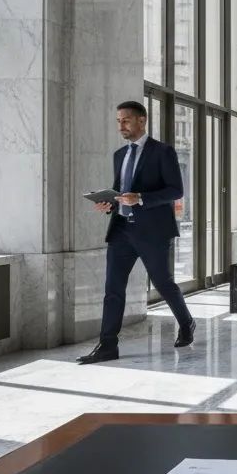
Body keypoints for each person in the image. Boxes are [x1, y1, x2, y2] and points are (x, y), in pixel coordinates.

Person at [78, 101, 196, 364]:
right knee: (113, 289)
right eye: (118, 121)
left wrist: (141, 198)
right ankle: (107, 345)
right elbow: (120, 191)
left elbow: (176, 190)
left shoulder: (163, 152)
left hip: (153, 232)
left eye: (126, 120)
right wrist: (108, 203)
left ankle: (187, 323)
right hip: (121, 231)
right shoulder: (119, 155)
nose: (121, 125)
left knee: (163, 284)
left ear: (142, 121)